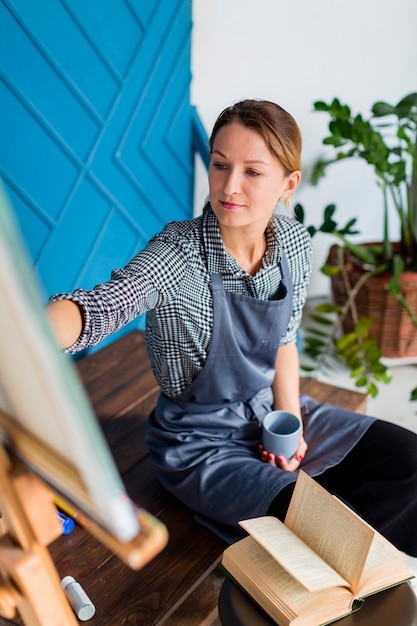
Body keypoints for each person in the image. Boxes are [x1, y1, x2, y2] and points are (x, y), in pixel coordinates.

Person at [47, 99, 417, 553]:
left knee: (409, 463)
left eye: (253, 172)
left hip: (272, 410)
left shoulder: (294, 245)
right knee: (324, 529)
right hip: (198, 443)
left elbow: (284, 341)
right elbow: (104, 306)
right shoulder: (178, 253)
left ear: (288, 183)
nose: (229, 186)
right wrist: (27, 336)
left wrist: (290, 429)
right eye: (220, 165)